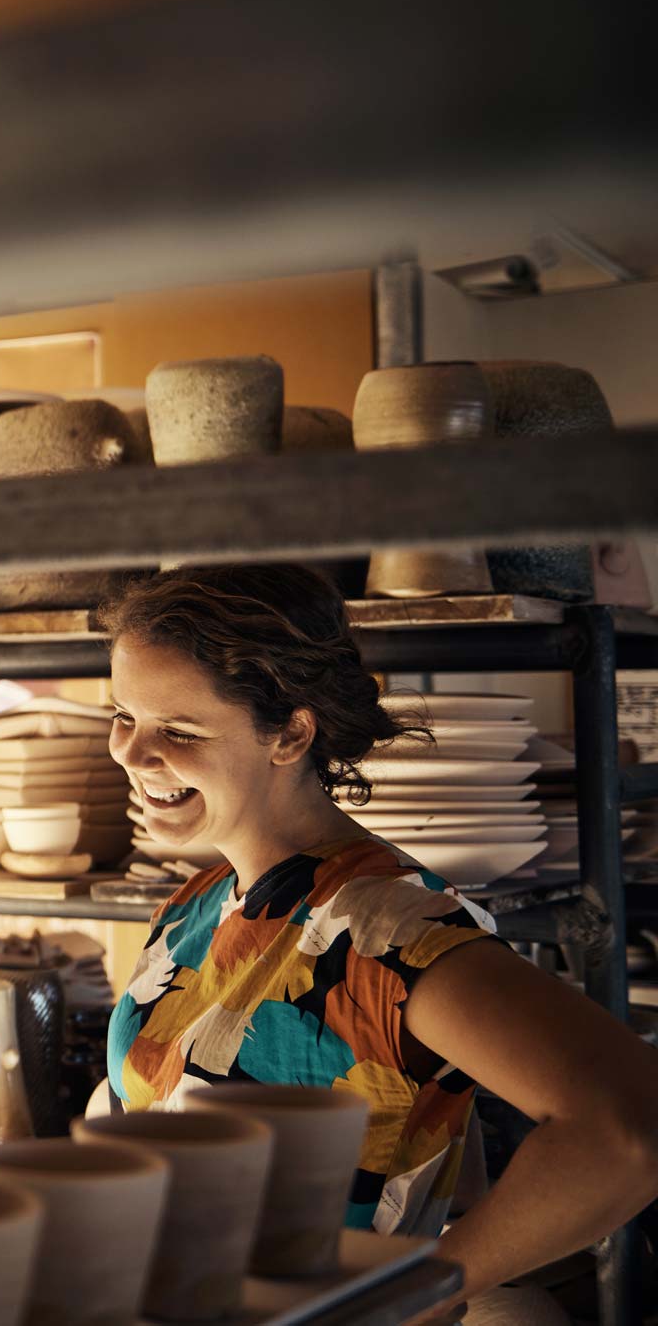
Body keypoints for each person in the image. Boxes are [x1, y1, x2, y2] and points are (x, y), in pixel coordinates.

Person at [100, 563, 658, 1314]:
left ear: (291, 733)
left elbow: (627, 1127)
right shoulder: (193, 906)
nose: (132, 754)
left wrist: (430, 1288)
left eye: (178, 729)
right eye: (123, 716)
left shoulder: (387, 929)